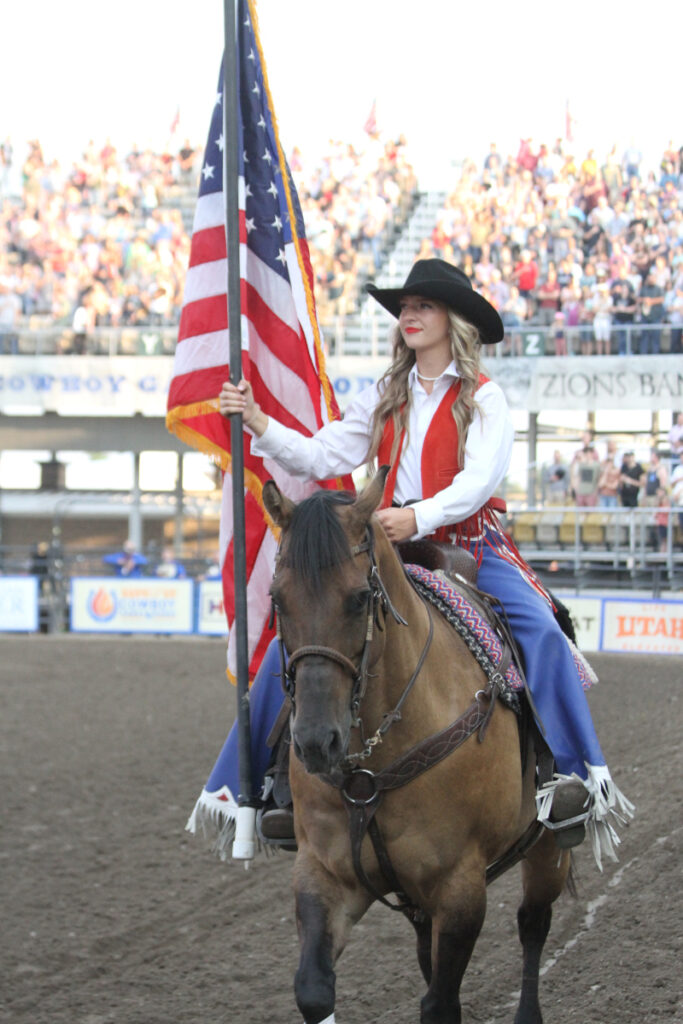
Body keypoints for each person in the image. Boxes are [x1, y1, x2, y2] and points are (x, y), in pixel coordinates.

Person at [191, 259, 632, 866]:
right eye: (404, 308)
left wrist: (417, 516)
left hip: (470, 546)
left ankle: (572, 779)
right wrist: (263, 425)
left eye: (422, 306)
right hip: (391, 542)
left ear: (454, 320)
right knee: (297, 638)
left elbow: (479, 482)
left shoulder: (485, 397)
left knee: (544, 635)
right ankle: (254, 783)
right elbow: (323, 453)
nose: (409, 316)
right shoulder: (387, 393)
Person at [571, 431, 601, 507]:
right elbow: (574, 471)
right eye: (584, 438)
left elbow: (598, 473)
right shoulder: (578, 453)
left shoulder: (595, 453)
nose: (585, 439)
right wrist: (573, 487)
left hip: (591, 491)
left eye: (587, 437)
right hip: (580, 490)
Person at [598, 440, 621, 508]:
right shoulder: (603, 469)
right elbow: (600, 484)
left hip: (613, 495)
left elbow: (615, 485)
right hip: (603, 495)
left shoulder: (617, 468)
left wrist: (606, 484)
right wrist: (606, 472)